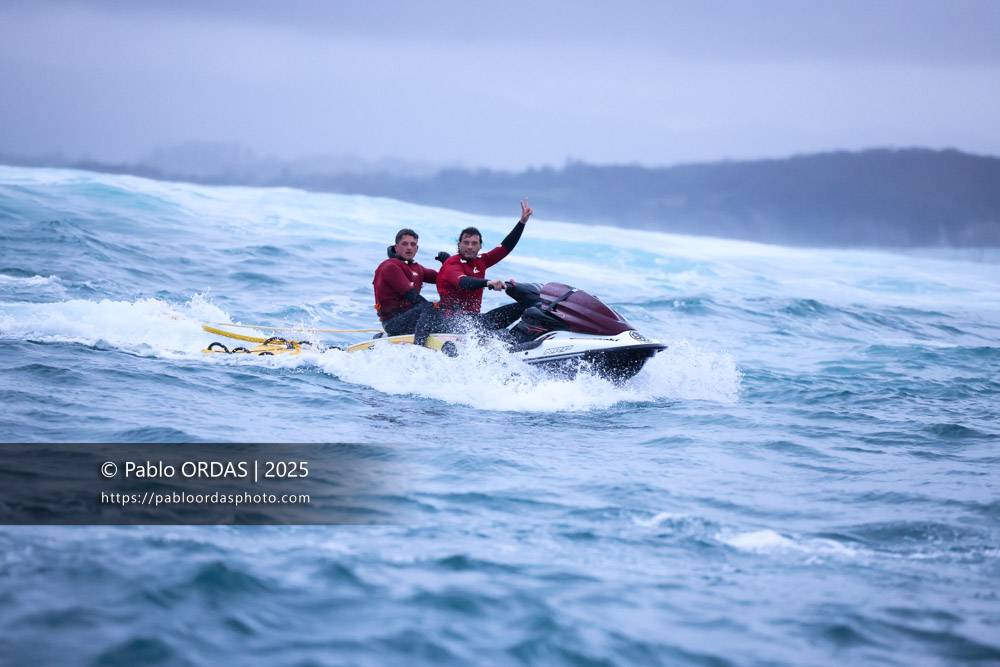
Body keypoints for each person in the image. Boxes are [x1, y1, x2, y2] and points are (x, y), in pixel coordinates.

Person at [414, 200, 533, 348]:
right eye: (466, 242)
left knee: (525, 307)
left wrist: (522, 222)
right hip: (452, 322)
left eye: (474, 243)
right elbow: (463, 282)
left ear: (480, 246)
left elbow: (505, 248)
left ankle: (525, 342)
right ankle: (500, 340)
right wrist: (487, 282)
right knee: (489, 331)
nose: (470, 247)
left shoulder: (482, 261)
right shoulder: (452, 264)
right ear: (459, 245)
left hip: (475, 320)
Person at [372, 228, 439, 336]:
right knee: (429, 307)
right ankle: (419, 344)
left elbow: (444, 279)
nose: (409, 248)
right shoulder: (390, 266)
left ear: (417, 248)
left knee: (444, 310)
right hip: (392, 323)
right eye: (405, 244)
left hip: (411, 320)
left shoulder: (416, 268)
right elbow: (413, 297)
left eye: (413, 244)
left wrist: (448, 262)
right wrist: (436, 309)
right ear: (396, 247)